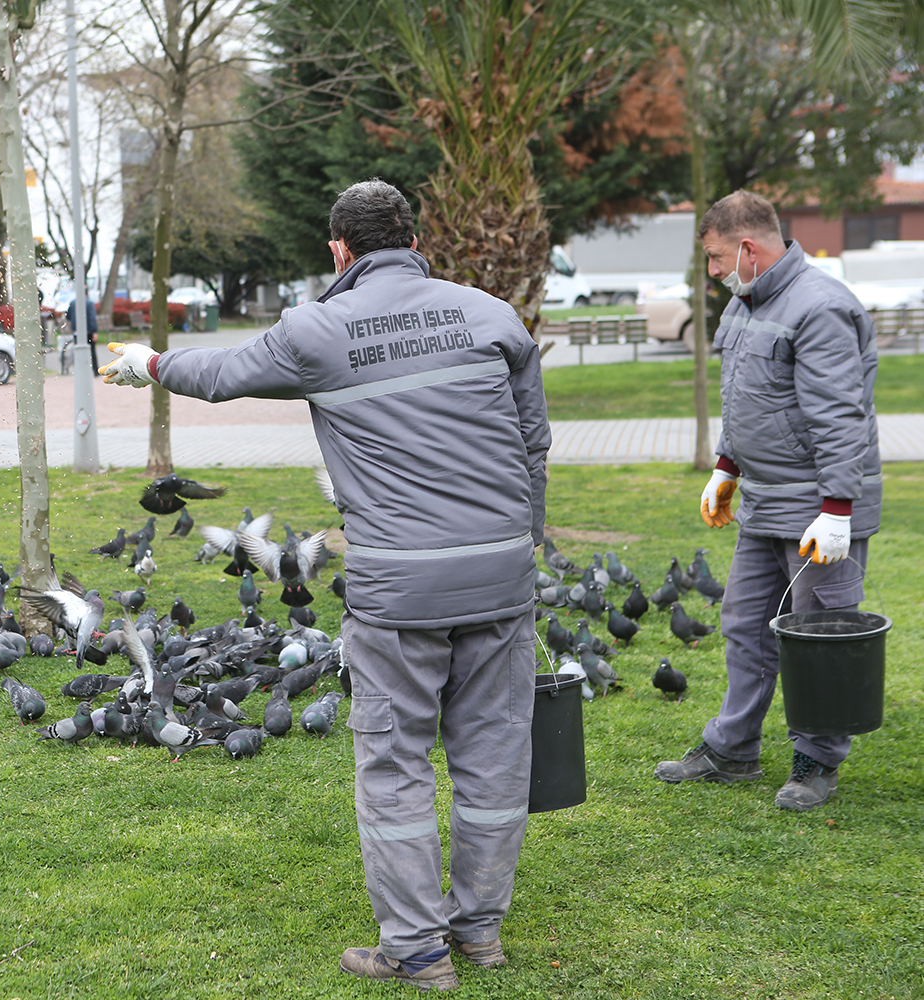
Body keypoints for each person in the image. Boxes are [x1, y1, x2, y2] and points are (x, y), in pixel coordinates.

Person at [100, 179, 550, 991]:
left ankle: (417, 950)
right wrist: (521, 548)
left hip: (400, 592)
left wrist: (150, 363)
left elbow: (224, 372)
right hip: (501, 576)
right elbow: (532, 445)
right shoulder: (491, 315)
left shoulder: (318, 329)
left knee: (395, 764)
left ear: (340, 251)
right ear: (413, 239)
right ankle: (479, 931)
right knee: (494, 756)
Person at [656, 190, 880, 811]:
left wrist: (839, 506)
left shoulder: (821, 307)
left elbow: (839, 417)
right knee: (745, 626)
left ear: (749, 249)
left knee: (817, 635)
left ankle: (817, 759)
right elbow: (744, 397)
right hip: (765, 501)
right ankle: (733, 749)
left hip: (818, 509)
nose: (712, 271)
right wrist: (726, 466)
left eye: (715, 256)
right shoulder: (746, 304)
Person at [66, 294, 99, 370]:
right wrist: (94, 331)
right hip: (88, 331)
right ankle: (95, 369)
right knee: (92, 351)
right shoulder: (89, 303)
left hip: (76, 331)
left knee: (78, 350)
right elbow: (92, 318)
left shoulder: (73, 303)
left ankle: (80, 368)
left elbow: (67, 316)